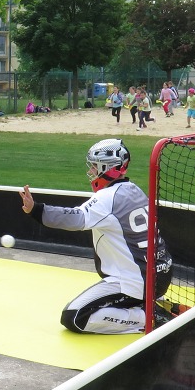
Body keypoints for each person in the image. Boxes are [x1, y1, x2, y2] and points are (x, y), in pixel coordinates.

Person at [18, 139, 175, 334]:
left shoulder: (106, 198)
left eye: (93, 166)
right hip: (161, 277)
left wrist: (36, 210)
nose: (91, 172)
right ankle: (150, 304)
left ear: (105, 167)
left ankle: (147, 318)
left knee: (74, 316)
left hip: (135, 283)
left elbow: (75, 219)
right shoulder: (135, 190)